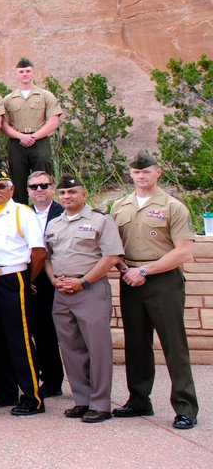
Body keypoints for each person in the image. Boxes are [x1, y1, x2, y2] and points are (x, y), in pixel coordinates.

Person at [111, 150, 199, 429]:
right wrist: (126, 269)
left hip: (162, 280)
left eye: (146, 171)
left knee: (174, 344)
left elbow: (183, 251)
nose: (141, 176)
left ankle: (185, 407)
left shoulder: (173, 206)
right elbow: (113, 247)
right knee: (136, 343)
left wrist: (145, 271)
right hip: (130, 278)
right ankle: (139, 400)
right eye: (136, 172)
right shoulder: (120, 206)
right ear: (131, 173)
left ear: (157, 172)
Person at [43, 175, 124, 423]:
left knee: (97, 348)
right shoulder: (54, 223)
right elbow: (47, 257)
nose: (67, 197)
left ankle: (100, 403)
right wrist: (53, 280)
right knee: (71, 349)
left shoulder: (100, 220)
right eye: (63, 193)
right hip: (62, 290)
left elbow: (111, 257)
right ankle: (82, 399)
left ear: (84, 194)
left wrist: (84, 281)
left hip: (89, 289)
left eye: (72, 192)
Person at [0, 168, 47, 416]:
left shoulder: (23, 212)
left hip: (13, 278)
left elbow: (38, 252)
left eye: (1, 186)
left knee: (19, 338)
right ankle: (5, 391)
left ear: (11, 189)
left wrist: (28, 279)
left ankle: (32, 397)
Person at [1, 58, 62, 204]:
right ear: (16, 74)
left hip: (39, 141)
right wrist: (21, 136)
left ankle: (44, 208)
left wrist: (33, 137)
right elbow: (3, 125)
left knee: (42, 180)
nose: (25, 74)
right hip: (17, 143)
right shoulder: (8, 99)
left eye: (28, 71)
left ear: (33, 73)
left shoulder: (45, 96)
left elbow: (53, 122)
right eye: (21, 71)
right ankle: (21, 211)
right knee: (18, 180)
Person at [26, 170, 65, 397]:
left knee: (52, 331)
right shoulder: (24, 213)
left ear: (52, 188)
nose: (39, 190)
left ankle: (55, 379)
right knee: (36, 330)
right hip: (31, 278)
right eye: (34, 187)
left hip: (56, 279)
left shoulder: (63, 212)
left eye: (44, 185)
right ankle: (41, 375)